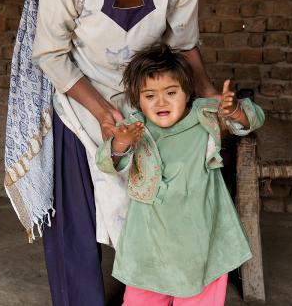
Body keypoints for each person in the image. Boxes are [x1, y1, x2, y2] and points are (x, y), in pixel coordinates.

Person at [6, 0, 220, 305]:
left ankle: (156, 291)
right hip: (79, 101)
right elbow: (50, 54)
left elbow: (183, 45)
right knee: (75, 225)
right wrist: (101, 111)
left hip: (147, 104)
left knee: (153, 212)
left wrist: (210, 95)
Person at [95, 44, 265, 305]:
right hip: (150, 245)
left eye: (171, 92)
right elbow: (106, 162)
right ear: (137, 99)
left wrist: (235, 112)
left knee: (199, 296)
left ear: (187, 93)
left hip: (202, 239)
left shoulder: (204, 117)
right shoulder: (134, 128)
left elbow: (253, 119)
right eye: (149, 95)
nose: (161, 102)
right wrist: (121, 143)